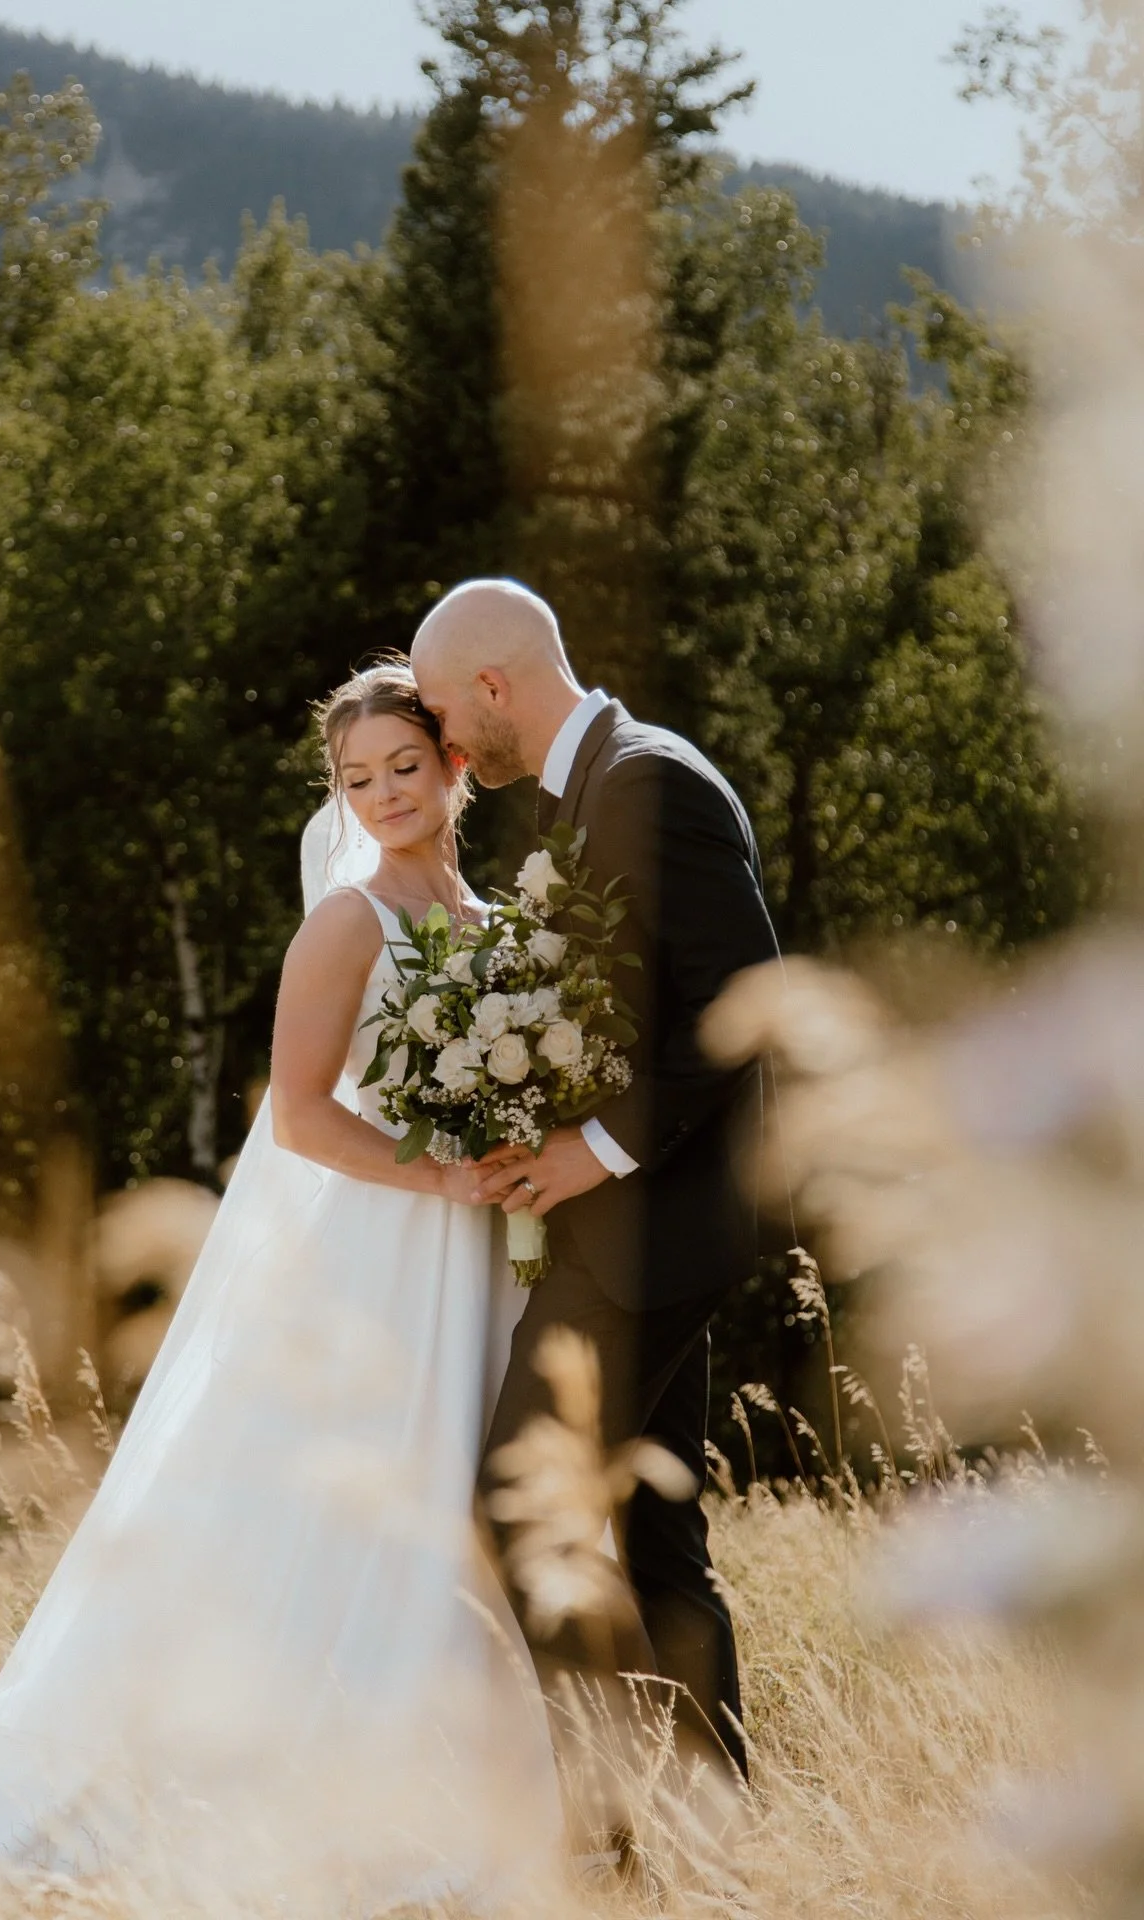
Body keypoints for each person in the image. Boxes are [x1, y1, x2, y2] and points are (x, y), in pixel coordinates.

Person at [0, 663, 558, 1905]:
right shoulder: (347, 924)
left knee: (452, 1486)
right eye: (358, 778)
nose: (384, 795)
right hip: (385, 1244)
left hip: (472, 1250)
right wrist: (442, 1174)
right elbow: (302, 1117)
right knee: (365, 1489)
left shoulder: (498, 926)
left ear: (455, 769)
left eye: (405, 768)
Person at [411, 579, 780, 1785]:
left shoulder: (645, 782)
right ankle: (717, 1824)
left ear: (493, 686)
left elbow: (743, 1002)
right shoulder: (589, 790)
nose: (444, 743)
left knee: (524, 1511)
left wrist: (596, 1150)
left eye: (442, 713)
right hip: (637, 1229)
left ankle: (616, 1828)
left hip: (655, 1230)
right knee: (661, 1539)